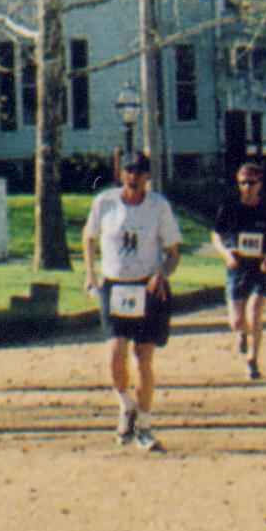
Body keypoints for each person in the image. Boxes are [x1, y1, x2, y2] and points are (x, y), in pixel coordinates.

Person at [81, 148, 182, 449]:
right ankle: (126, 404)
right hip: (115, 286)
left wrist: (162, 273)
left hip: (147, 288)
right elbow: (89, 238)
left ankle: (146, 425)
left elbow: (173, 252)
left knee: (143, 359)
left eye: (140, 171)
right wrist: (90, 274)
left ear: (148, 176)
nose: (134, 177)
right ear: (121, 173)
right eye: (129, 171)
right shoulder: (105, 203)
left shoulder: (158, 207)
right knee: (115, 354)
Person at [207, 156, 266, 380]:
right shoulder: (230, 207)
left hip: (260, 270)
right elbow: (215, 234)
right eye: (243, 183)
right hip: (237, 269)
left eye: (251, 183)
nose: (247, 188)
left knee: (255, 313)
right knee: (238, 321)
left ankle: (252, 360)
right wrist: (225, 254)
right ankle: (242, 333)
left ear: (260, 184)